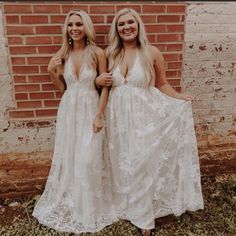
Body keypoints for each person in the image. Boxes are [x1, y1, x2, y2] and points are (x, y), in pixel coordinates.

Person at [95, 8, 204, 236]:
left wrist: (179, 96)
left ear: (138, 25)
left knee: (142, 161)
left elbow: (162, 84)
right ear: (117, 29)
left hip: (144, 116)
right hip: (117, 118)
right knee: (120, 161)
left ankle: (144, 215)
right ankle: (124, 204)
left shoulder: (152, 52)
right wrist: (98, 79)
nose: (126, 27)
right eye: (121, 24)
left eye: (130, 22)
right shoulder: (110, 53)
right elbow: (101, 85)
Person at [32, 9, 116, 234]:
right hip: (69, 111)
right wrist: (53, 73)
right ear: (66, 29)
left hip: (90, 109)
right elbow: (64, 90)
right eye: (71, 25)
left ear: (86, 27)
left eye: (79, 24)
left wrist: (99, 115)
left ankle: (89, 208)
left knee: (88, 159)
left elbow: (105, 85)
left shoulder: (97, 52)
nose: (74, 29)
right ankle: (73, 204)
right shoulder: (64, 54)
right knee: (71, 157)